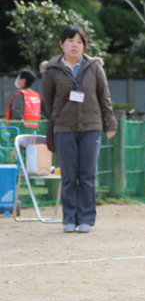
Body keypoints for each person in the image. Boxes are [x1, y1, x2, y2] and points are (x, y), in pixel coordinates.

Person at [41, 26, 117, 234]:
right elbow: (48, 100)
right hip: (63, 129)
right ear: (61, 43)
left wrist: (109, 123)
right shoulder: (51, 70)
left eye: (79, 41)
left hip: (91, 127)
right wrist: (59, 118)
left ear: (84, 45)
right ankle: (69, 219)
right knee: (68, 175)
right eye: (70, 40)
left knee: (87, 174)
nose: (75, 45)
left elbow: (104, 96)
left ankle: (85, 218)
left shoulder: (94, 67)